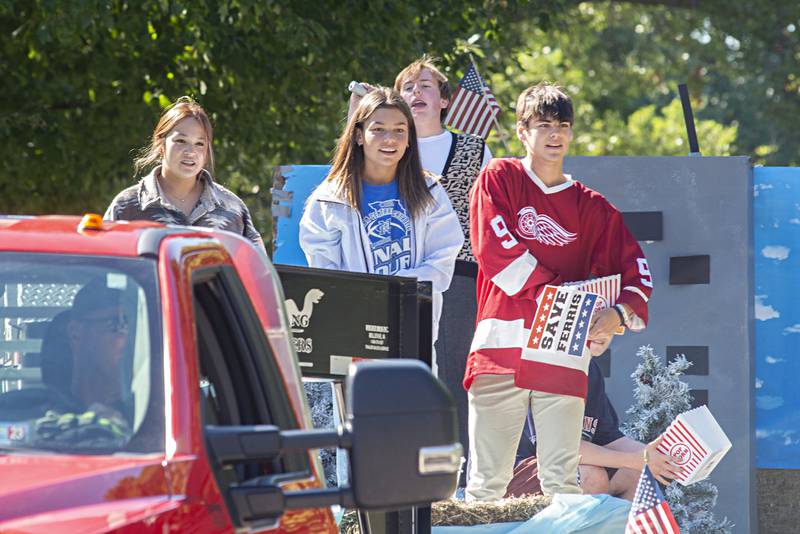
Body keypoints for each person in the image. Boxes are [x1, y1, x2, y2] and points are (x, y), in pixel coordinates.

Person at [465, 83, 653, 501]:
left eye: (563, 125)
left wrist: (616, 316)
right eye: (544, 124)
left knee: (564, 485)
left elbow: (637, 274)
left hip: (563, 351)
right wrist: (570, 301)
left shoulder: (594, 207)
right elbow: (497, 254)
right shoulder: (500, 178)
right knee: (487, 482)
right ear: (521, 131)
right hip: (502, 346)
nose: (555, 134)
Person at [299, 87, 463, 368]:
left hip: (411, 336)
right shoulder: (329, 199)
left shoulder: (431, 192)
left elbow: (442, 263)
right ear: (359, 135)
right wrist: (368, 302)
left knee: (411, 411)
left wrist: (392, 292)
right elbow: (325, 275)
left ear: (410, 138)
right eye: (379, 129)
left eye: (400, 130)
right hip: (349, 340)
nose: (390, 139)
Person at [104, 96, 264, 250]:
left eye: (200, 144)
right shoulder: (127, 206)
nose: (191, 152)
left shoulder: (232, 209)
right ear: (161, 144)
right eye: (181, 141)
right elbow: (103, 264)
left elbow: (257, 271)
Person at [506, 360, 681, 500]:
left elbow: (611, 439)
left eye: (611, 324)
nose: (602, 331)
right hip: (517, 473)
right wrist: (637, 459)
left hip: (565, 468)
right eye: (593, 322)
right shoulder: (548, 363)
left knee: (637, 476)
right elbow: (560, 449)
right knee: (592, 476)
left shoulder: (591, 370)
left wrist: (663, 458)